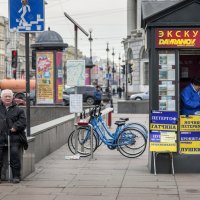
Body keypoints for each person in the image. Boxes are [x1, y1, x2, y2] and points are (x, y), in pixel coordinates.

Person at [0, 89, 28, 183]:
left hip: (14, 137)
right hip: (1, 137)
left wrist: (15, 127)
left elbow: (23, 122)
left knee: (14, 155)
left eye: (9, 96)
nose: (7, 98)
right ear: (1, 98)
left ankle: (16, 176)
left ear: (12, 98)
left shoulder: (19, 110)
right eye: (5, 96)